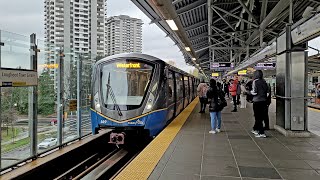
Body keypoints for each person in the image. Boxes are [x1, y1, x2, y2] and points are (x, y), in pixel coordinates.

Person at [250, 70, 269, 138]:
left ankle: (261, 132)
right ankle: (255, 129)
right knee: (261, 116)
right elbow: (267, 93)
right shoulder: (264, 82)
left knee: (258, 117)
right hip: (264, 101)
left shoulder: (255, 81)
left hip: (257, 101)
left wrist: (249, 92)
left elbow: (254, 92)